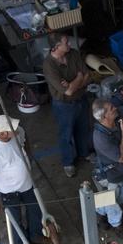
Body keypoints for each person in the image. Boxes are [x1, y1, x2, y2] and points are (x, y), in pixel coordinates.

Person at [0, 115, 50, 244]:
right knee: (15, 219)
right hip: (8, 191)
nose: (16, 129)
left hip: (27, 184)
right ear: (3, 134)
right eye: (12, 129)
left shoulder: (18, 131)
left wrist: (28, 155)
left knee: (35, 210)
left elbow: (24, 137)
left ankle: (36, 236)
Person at [42, 32, 92, 177]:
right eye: (66, 43)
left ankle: (85, 153)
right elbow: (68, 92)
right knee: (66, 134)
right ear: (56, 47)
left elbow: (87, 75)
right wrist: (78, 77)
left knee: (83, 129)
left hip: (81, 99)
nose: (69, 44)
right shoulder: (49, 65)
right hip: (64, 105)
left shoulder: (74, 54)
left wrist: (73, 83)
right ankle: (68, 162)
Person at [91, 97, 123, 239]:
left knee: (121, 195)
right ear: (105, 116)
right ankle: (116, 224)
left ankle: (100, 214)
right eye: (111, 108)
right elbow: (122, 157)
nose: (115, 108)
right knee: (111, 201)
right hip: (109, 174)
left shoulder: (115, 119)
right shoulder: (100, 137)